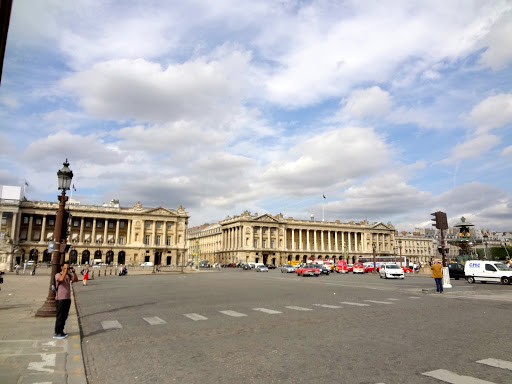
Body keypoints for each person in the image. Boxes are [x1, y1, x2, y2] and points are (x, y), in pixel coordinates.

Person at [54, 261, 78, 339]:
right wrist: (64, 271)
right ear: (62, 267)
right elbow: (60, 279)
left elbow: (75, 280)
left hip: (67, 298)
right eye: (66, 267)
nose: (67, 269)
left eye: (68, 267)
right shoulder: (58, 274)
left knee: (64, 316)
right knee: (60, 316)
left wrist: (74, 273)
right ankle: (57, 332)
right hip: (60, 299)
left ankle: (61, 331)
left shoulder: (69, 275)